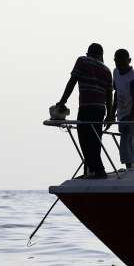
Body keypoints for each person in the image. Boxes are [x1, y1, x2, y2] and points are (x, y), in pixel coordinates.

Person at [53, 43, 113, 179]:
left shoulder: (83, 61)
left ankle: (98, 171)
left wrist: (62, 102)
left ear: (89, 53)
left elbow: (72, 81)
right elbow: (109, 94)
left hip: (87, 107)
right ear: (101, 55)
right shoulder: (107, 70)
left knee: (85, 140)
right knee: (95, 140)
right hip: (100, 109)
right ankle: (91, 171)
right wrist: (109, 114)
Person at [109, 49, 134, 169]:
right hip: (122, 112)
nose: (120, 66)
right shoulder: (115, 72)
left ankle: (130, 167)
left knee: (125, 138)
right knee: (128, 137)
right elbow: (116, 93)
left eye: (122, 63)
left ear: (129, 61)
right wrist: (111, 113)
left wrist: (131, 118)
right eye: (117, 62)